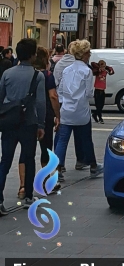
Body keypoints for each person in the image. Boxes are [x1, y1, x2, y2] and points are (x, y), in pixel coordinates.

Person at [0, 38, 46, 215]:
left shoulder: (7, 74)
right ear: (33, 55)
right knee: (28, 158)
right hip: (29, 122)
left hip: (9, 123)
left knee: (5, 160)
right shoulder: (38, 76)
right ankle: (28, 196)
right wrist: (41, 124)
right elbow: (41, 103)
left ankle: (0, 199)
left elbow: (1, 97)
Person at [55, 39, 103, 182]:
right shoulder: (87, 71)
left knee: (62, 141)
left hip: (66, 110)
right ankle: (93, 165)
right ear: (84, 54)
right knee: (86, 139)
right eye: (89, 52)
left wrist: (64, 101)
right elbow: (89, 93)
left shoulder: (67, 70)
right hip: (81, 110)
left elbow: (61, 90)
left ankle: (58, 169)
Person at [53, 41, 88, 174]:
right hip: (79, 106)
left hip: (63, 103)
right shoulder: (83, 67)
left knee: (61, 137)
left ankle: (58, 167)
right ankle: (83, 160)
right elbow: (89, 92)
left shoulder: (60, 65)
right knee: (82, 135)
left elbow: (57, 84)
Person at [30, 46, 61, 194]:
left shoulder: (29, 74)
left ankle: (24, 185)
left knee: (27, 150)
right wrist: (58, 116)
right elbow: (53, 96)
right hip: (46, 115)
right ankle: (47, 181)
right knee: (46, 148)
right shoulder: (48, 75)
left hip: (27, 115)